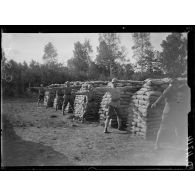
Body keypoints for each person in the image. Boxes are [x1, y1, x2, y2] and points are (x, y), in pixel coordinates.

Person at [151, 78, 190, 150]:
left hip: (176, 112)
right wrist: (155, 103)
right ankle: (157, 144)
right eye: (175, 84)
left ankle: (179, 144)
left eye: (177, 84)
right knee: (162, 128)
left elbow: (178, 101)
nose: (177, 85)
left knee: (178, 127)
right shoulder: (168, 90)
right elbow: (162, 97)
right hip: (167, 113)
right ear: (172, 84)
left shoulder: (178, 90)